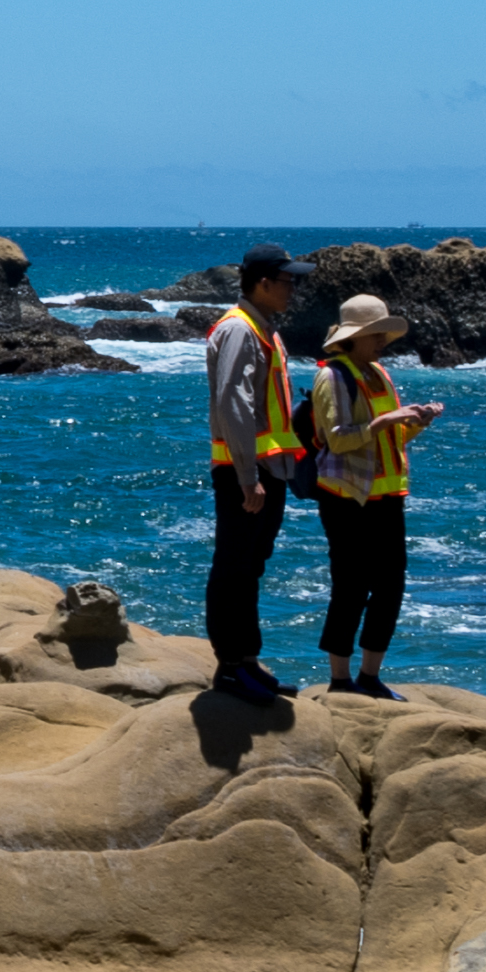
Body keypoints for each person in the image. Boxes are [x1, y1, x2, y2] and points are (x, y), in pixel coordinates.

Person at [303, 292, 442, 695]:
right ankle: (339, 679)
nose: (383, 342)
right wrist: (386, 419)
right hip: (346, 498)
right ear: (352, 337)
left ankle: (371, 675)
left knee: (390, 585)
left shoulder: (378, 373)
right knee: (350, 586)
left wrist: (416, 421)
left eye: (383, 334)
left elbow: (392, 436)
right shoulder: (332, 376)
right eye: (375, 334)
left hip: (387, 496)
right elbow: (338, 440)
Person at [196, 248, 306, 699]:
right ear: (262, 282)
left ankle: (247, 659)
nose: (293, 289)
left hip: (266, 468)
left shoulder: (265, 330)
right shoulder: (240, 330)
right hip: (246, 471)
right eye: (286, 281)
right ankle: (228, 666)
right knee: (233, 567)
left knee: (250, 566)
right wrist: (246, 475)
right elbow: (232, 403)